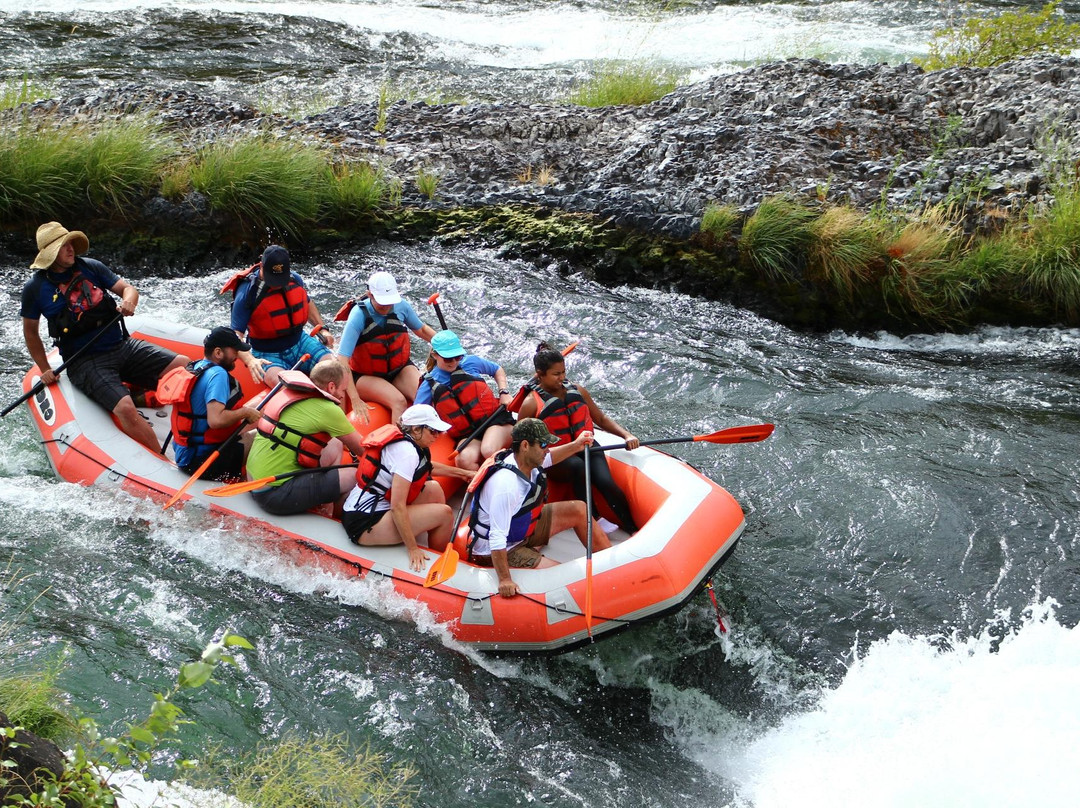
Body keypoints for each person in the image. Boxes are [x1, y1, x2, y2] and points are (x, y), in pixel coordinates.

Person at [19, 222, 190, 454]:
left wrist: (130, 300)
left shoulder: (91, 267)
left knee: (184, 366)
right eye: (63, 246)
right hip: (85, 361)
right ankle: (161, 458)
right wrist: (44, 368)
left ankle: (196, 432)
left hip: (121, 346)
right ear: (50, 254)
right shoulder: (35, 288)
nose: (70, 249)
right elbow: (30, 332)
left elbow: (128, 289)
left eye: (70, 243)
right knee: (125, 407)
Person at [468, 418, 612, 598]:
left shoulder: (527, 460)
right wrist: (504, 579)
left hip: (522, 527)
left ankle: (613, 564)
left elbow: (550, 458)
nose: (546, 449)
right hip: (501, 548)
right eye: (543, 444)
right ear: (525, 445)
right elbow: (497, 537)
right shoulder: (506, 485)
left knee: (579, 509)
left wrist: (576, 445)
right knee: (566, 578)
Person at [515, 341, 639, 533]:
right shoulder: (531, 403)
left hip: (586, 445)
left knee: (606, 482)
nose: (562, 377)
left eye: (563, 372)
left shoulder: (577, 390)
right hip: (557, 454)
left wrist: (626, 435)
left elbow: (601, 418)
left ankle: (632, 528)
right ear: (540, 375)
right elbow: (519, 438)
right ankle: (593, 517)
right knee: (577, 466)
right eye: (556, 374)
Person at [341, 404, 473, 571]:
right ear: (416, 430)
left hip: (368, 507)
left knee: (434, 489)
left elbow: (425, 466)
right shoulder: (407, 453)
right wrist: (412, 549)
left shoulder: (408, 444)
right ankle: (436, 559)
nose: (437, 436)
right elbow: (397, 507)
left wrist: (463, 473)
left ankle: (434, 537)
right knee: (445, 514)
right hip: (364, 522)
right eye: (433, 431)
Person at [245, 358, 365, 516]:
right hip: (273, 494)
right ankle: (334, 514)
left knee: (335, 443)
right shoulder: (328, 410)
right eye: (343, 390)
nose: (343, 396)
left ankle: (325, 507)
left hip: (251, 481)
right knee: (354, 474)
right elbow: (363, 449)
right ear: (331, 386)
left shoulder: (288, 392)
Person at [157, 326, 262, 480]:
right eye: (234, 351)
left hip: (187, 456)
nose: (237, 356)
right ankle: (257, 486)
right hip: (202, 462)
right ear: (218, 352)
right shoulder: (218, 374)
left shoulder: (197, 366)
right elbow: (216, 420)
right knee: (265, 435)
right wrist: (245, 412)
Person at [223, 245, 337, 387]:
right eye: (273, 278)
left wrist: (322, 329)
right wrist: (250, 360)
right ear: (262, 265)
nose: (277, 284)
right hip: (267, 354)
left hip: (300, 342)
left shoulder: (294, 279)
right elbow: (235, 335)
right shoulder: (247, 293)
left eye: (280, 278)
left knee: (334, 369)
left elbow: (306, 303)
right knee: (285, 387)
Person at [336, 270, 435, 423]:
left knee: (425, 396)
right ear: (370, 295)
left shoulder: (401, 306)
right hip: (366, 376)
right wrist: (354, 398)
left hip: (399, 369)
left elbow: (421, 330)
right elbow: (342, 360)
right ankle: (399, 445)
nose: (387, 306)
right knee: (399, 402)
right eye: (382, 302)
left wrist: (444, 343)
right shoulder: (358, 315)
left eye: (389, 301)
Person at [414, 329, 515, 471]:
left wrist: (504, 392)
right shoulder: (429, 384)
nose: (454, 362)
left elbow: (497, 369)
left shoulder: (470, 362)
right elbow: (416, 414)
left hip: (496, 421)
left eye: (458, 356)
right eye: (448, 358)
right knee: (463, 459)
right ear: (435, 355)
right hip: (468, 434)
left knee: (488, 449)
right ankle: (482, 488)